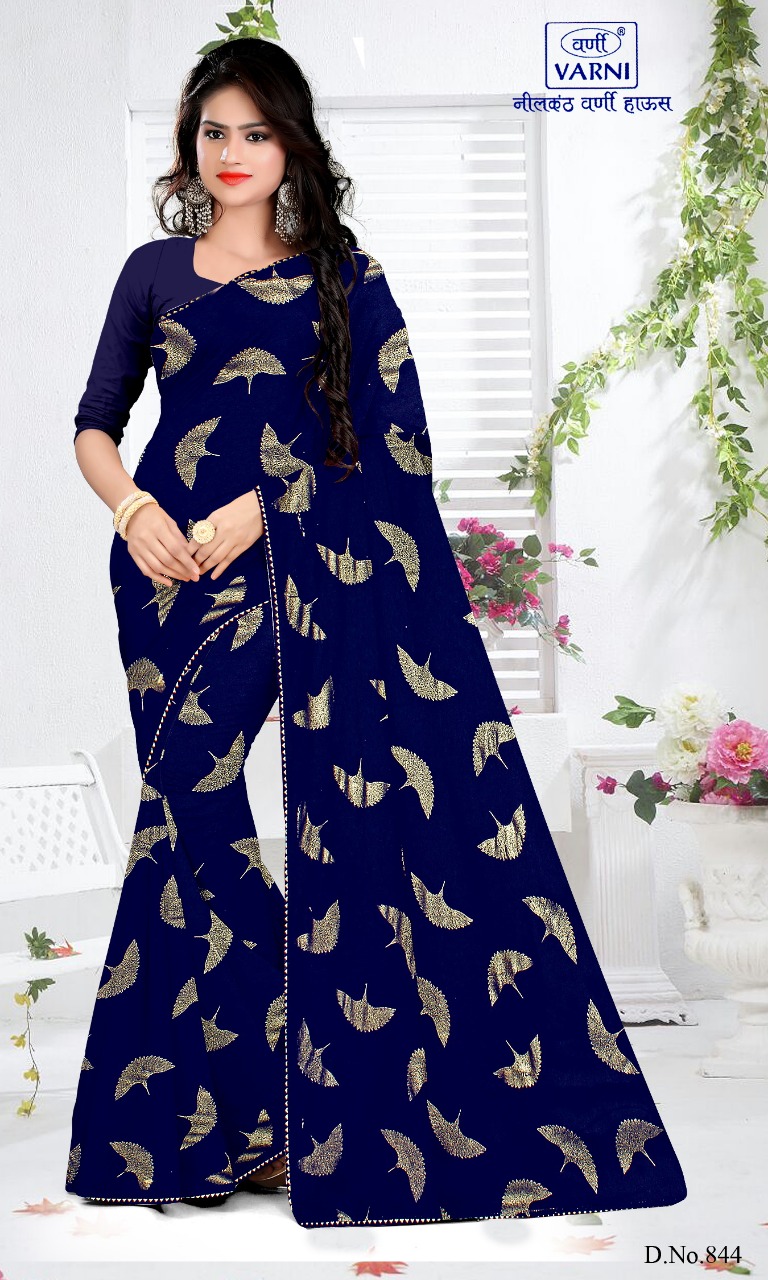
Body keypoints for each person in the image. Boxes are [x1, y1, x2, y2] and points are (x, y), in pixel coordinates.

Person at [66, 37, 688, 1229]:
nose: (232, 152)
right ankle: (245, 1116)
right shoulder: (152, 271)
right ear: (189, 145)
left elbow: (395, 446)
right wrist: (135, 509)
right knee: (189, 821)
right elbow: (95, 422)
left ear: (291, 142)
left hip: (289, 575)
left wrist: (263, 508)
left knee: (198, 796)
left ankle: (281, 1101)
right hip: (158, 583)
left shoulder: (345, 277)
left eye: (255, 132)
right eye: (213, 131)